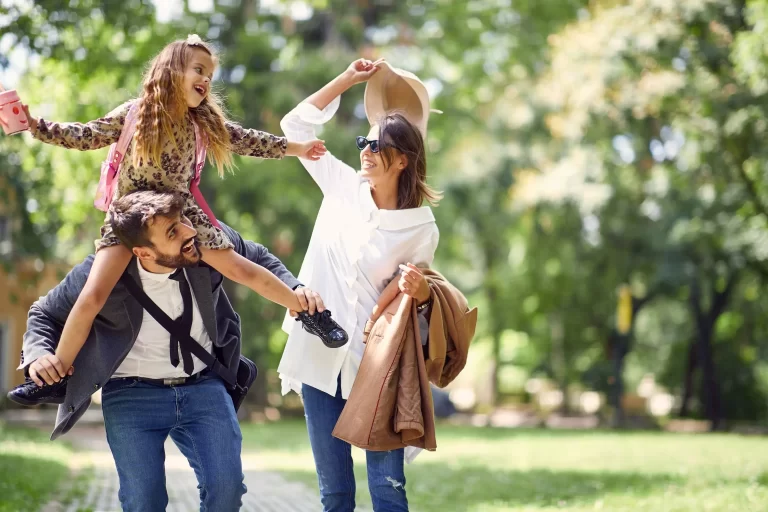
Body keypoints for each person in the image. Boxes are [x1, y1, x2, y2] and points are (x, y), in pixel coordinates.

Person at [15, 34, 339, 390]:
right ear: (171, 71)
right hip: (133, 216)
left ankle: (308, 312)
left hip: (180, 212)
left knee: (239, 268)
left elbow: (247, 139)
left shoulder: (201, 123)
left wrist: (297, 148)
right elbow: (85, 135)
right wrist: (35, 125)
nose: (206, 80)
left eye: (210, 76)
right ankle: (52, 374)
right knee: (93, 294)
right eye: (198, 70)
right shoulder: (135, 114)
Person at [15, 190, 326, 511]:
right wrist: (38, 354)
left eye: (184, 220)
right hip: (130, 395)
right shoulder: (101, 273)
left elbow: (257, 257)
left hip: (203, 385)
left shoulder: (206, 241)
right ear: (143, 252)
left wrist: (295, 288)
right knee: (143, 501)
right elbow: (44, 313)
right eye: (172, 232)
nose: (189, 232)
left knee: (227, 490)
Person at [278, 58, 442, 511]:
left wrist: (422, 291)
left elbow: (413, 302)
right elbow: (294, 126)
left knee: (388, 490)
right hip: (319, 351)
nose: (365, 151)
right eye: (363, 142)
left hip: (377, 364)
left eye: (377, 145)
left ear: (403, 160)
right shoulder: (342, 187)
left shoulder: (421, 227)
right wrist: (349, 79)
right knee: (335, 494)